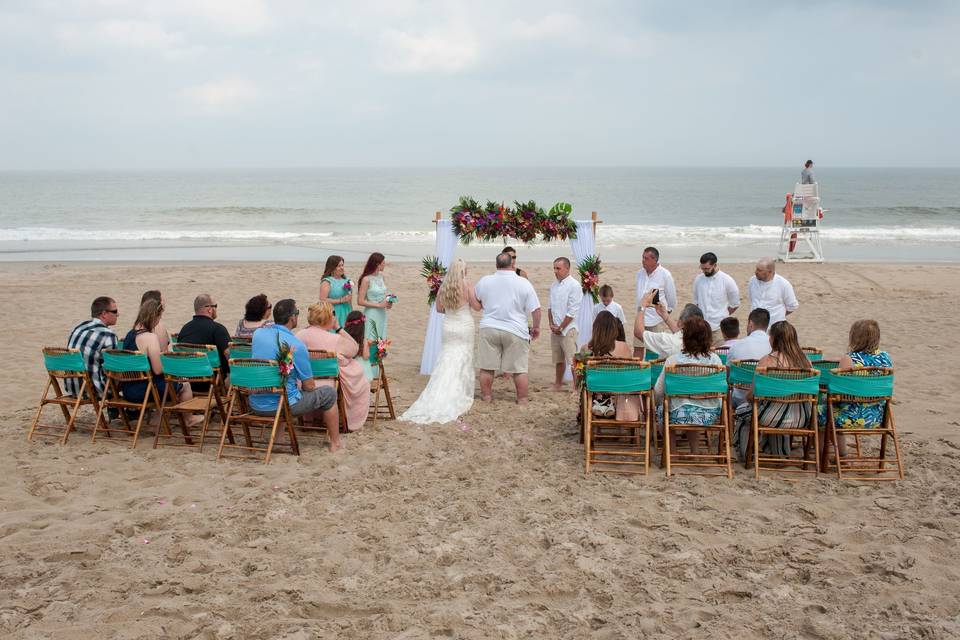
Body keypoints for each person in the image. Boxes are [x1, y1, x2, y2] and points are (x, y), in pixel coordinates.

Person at [250, 299, 342, 452]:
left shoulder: (258, 334)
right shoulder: (296, 345)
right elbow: (309, 385)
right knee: (329, 394)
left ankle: (279, 438)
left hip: (255, 402)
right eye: (297, 313)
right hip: (282, 404)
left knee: (284, 386)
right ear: (293, 318)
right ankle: (335, 442)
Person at [401, 259, 481, 424]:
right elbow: (476, 307)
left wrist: (451, 310)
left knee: (447, 356)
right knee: (463, 357)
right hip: (464, 325)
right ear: (463, 271)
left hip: (449, 325)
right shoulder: (468, 287)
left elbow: (439, 309)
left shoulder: (444, 287)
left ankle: (441, 388)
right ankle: (458, 391)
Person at [732, 320, 812, 462]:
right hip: (802, 417)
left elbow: (752, 395)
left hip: (771, 417)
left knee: (743, 411)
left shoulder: (767, 362)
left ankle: (746, 454)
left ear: (774, 339)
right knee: (776, 407)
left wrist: (750, 399)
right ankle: (780, 455)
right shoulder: (806, 362)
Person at [475, 252, 542, 403]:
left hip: (489, 327)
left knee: (486, 367)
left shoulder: (485, 281)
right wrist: (536, 327)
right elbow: (536, 310)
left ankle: (486, 396)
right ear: (512, 264)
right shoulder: (523, 282)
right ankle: (522, 399)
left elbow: (476, 299)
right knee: (519, 368)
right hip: (515, 330)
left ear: (496, 265)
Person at [653, 317, 724, 458]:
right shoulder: (716, 361)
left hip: (680, 415)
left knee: (664, 408)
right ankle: (695, 451)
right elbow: (722, 390)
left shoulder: (673, 361)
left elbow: (658, 391)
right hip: (710, 415)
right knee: (691, 403)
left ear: (685, 337)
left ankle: (671, 452)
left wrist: (657, 404)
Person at [297, 301, 370, 432]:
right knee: (360, 377)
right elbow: (354, 348)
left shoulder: (300, 335)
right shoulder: (334, 338)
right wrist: (338, 328)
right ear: (327, 317)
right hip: (328, 383)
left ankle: (310, 421)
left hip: (305, 381)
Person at [120, 300, 198, 423]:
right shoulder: (150, 338)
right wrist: (170, 364)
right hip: (146, 391)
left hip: (128, 390)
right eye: (159, 317)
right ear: (153, 316)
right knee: (184, 384)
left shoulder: (130, 335)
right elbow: (157, 370)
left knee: (162, 382)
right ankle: (189, 419)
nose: (158, 321)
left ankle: (156, 421)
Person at [830, 319, 893, 455]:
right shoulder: (885, 358)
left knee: (821, 413)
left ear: (855, 337)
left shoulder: (849, 359)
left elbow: (839, 393)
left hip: (850, 418)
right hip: (877, 417)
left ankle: (839, 456)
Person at [584, 310, 642, 421]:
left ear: (595, 328)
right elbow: (631, 371)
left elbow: (581, 375)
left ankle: (599, 404)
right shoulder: (623, 347)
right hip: (619, 390)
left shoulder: (586, 349)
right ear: (613, 329)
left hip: (596, 390)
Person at [66, 296, 119, 398]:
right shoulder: (108, 335)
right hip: (93, 390)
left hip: (72, 387)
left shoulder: (78, 328)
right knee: (124, 372)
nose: (118, 314)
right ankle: (121, 407)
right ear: (104, 314)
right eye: (115, 311)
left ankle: (114, 408)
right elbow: (114, 369)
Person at [633, 291, 703, 360]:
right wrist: (665, 315)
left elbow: (639, 333)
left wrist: (642, 306)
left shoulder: (669, 341)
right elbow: (679, 331)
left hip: (673, 370)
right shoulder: (705, 346)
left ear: (680, 323)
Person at [692, 252, 740, 346]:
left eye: (707, 269)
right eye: (702, 268)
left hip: (718, 329)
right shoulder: (698, 280)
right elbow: (696, 302)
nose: (704, 271)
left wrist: (722, 314)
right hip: (702, 328)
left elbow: (735, 304)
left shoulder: (727, 280)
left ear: (715, 265)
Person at [548, 257, 581, 391]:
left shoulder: (574, 285)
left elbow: (572, 311)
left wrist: (561, 327)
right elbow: (550, 307)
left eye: (558, 268)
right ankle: (558, 384)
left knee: (573, 361)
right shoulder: (554, 285)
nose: (555, 271)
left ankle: (576, 387)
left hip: (568, 329)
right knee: (558, 359)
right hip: (555, 328)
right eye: (554, 268)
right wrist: (551, 324)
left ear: (567, 268)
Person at [727, 308, 772, 407]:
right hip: (767, 400)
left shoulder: (736, 346)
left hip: (740, 401)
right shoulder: (774, 346)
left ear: (750, 324)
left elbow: (728, 377)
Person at [634, 246, 677, 339]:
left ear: (654, 260)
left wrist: (664, 314)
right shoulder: (639, 274)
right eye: (642, 257)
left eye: (646, 258)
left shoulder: (665, 275)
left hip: (656, 320)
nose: (643, 260)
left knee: (654, 351)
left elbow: (672, 300)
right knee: (638, 349)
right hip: (640, 318)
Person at [748, 258, 799, 325]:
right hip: (755, 325)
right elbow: (752, 300)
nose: (756, 272)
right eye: (756, 269)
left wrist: (778, 317)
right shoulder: (752, 280)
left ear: (770, 272)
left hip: (773, 326)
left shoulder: (783, 284)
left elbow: (792, 306)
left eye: (759, 270)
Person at [357, 252, 393, 341]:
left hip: (382, 313)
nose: (385, 265)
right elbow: (360, 301)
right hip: (371, 313)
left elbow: (382, 294)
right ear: (377, 264)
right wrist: (379, 305)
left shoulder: (382, 277)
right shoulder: (366, 279)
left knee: (381, 338)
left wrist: (388, 302)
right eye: (383, 263)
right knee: (370, 339)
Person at [318, 255, 352, 329]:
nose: (342, 268)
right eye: (338, 266)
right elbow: (322, 299)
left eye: (342, 265)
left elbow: (349, 298)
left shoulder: (346, 280)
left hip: (346, 310)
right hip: (333, 311)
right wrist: (340, 300)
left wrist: (351, 311)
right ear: (332, 267)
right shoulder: (327, 281)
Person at [342, 310, 375, 381]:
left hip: (346, 371)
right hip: (361, 373)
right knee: (364, 362)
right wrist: (367, 345)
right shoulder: (363, 340)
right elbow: (366, 356)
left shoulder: (344, 337)